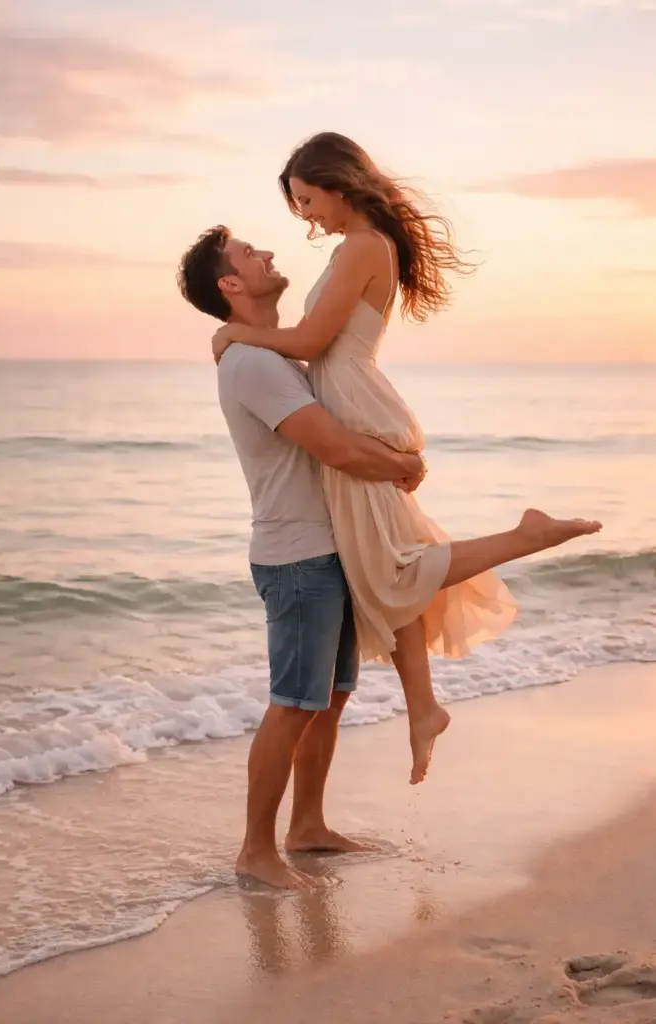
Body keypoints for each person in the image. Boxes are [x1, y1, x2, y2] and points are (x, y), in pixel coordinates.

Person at [177, 225, 601, 889]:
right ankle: (256, 852)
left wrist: (392, 464)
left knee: (330, 697)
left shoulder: (274, 356)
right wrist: (402, 463)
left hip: (328, 550)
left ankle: (306, 827)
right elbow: (335, 447)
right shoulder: (253, 364)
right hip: (297, 559)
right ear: (230, 285)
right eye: (246, 254)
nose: (263, 253)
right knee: (293, 703)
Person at [209, 132, 603, 786]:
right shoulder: (359, 247)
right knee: (387, 567)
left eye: (307, 199)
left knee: (392, 570)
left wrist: (234, 332)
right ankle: (422, 709)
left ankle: (525, 536)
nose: (306, 215)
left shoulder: (363, 247)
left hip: (359, 410)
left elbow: (310, 340)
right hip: (357, 405)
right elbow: (312, 346)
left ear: (338, 183)